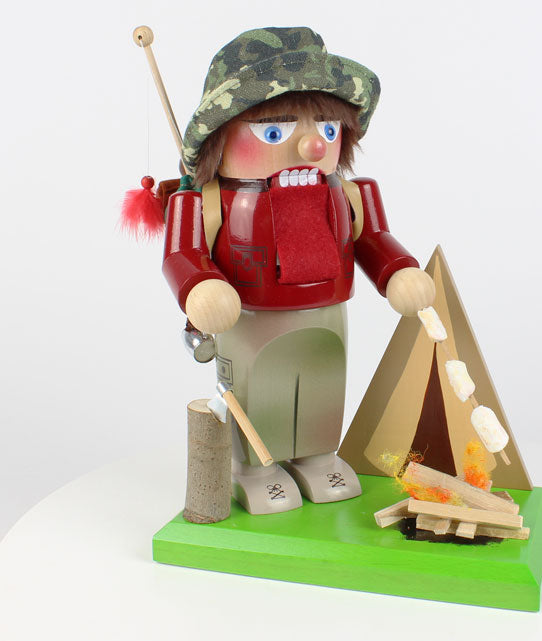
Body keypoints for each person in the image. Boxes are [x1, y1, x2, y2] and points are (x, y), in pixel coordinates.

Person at [163, 27, 435, 514]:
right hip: (250, 320)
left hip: (327, 313)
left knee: (323, 382)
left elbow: (373, 238)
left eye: (328, 130)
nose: (313, 147)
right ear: (218, 142)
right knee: (256, 390)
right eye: (274, 132)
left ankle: (317, 455)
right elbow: (181, 255)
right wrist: (202, 287)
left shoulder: (349, 193)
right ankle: (254, 468)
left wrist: (398, 271)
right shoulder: (203, 201)